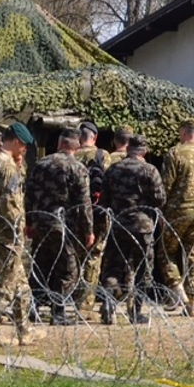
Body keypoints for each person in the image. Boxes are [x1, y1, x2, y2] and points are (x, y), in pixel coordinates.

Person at [0, 123, 45, 346]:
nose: (24, 150)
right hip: (7, 232)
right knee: (3, 283)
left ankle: (24, 329)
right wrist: (18, 228)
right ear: (17, 142)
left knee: (20, 284)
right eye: (24, 145)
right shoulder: (6, 165)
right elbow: (10, 201)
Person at [25, 128, 94, 325]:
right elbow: (84, 203)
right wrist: (88, 231)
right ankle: (59, 310)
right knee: (66, 268)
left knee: (41, 264)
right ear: (77, 145)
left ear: (59, 143)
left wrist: (30, 221)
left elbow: (29, 194)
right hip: (65, 225)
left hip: (42, 222)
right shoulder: (77, 168)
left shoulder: (41, 164)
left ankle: (34, 306)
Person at [101, 135, 166, 326]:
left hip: (119, 224)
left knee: (113, 267)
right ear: (144, 151)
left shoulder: (114, 169)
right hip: (142, 226)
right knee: (142, 270)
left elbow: (104, 199)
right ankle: (135, 311)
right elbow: (160, 199)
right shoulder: (149, 170)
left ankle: (108, 305)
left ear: (128, 148)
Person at [158, 119, 194, 317]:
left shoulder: (174, 154)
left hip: (177, 211)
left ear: (183, 132)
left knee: (166, 251)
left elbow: (166, 185)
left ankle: (177, 290)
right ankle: (193, 303)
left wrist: (162, 210)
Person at [72, 120, 110, 314]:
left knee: (75, 255)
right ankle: (85, 302)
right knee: (94, 256)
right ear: (94, 137)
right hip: (96, 211)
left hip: (73, 213)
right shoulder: (102, 155)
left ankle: (69, 296)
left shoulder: (71, 156)